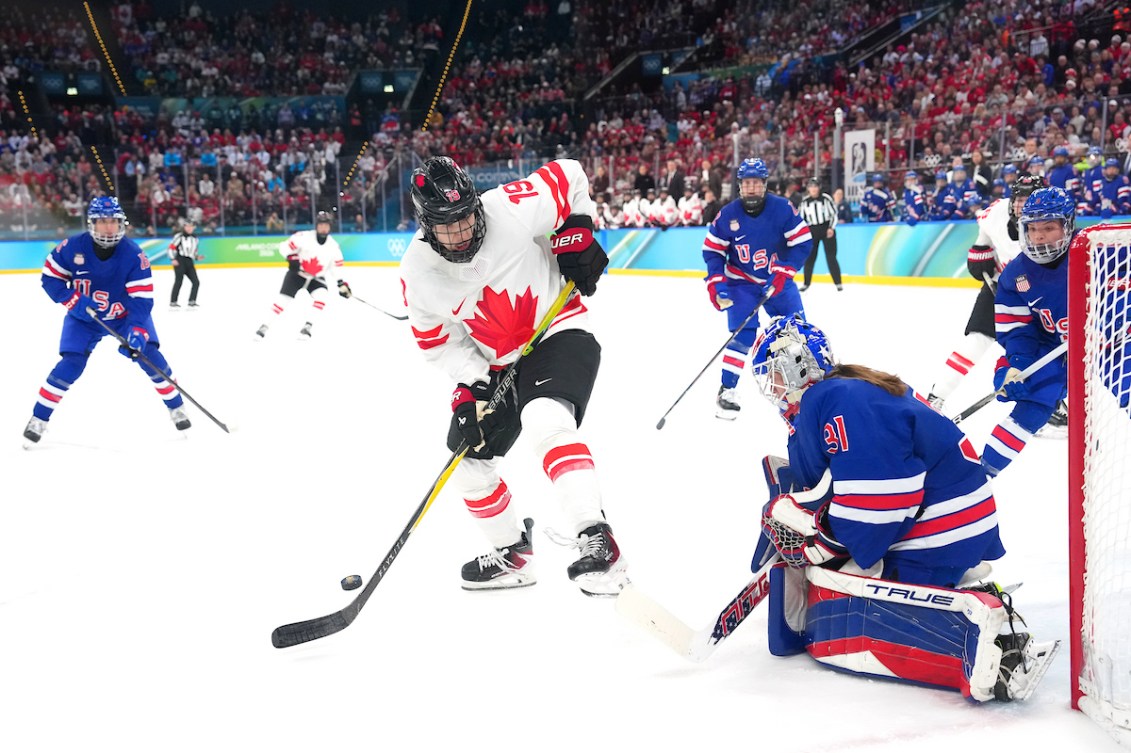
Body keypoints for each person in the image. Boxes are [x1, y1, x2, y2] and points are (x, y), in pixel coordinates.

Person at [749, 315, 1056, 702]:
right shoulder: (844, 393)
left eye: (775, 376)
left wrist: (829, 541)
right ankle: (956, 590)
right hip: (949, 518)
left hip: (939, 524)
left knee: (858, 607)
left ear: (798, 366)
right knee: (848, 576)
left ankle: (983, 641)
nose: (774, 390)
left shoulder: (835, 399)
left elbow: (884, 493)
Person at [400, 156, 627, 597]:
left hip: (559, 328)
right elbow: (438, 343)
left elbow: (572, 173)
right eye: (448, 226)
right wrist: (473, 385)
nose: (463, 232)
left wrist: (578, 228)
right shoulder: (418, 272)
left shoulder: (512, 206)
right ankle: (513, 555)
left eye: (467, 218)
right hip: (498, 364)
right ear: (426, 224)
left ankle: (598, 539)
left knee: (544, 417)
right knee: (467, 465)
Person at [22, 197, 191, 445]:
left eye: (113, 221)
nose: (109, 227)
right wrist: (73, 302)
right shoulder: (71, 248)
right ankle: (39, 419)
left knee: (151, 358)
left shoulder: (134, 255)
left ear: (121, 223)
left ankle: (176, 407)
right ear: (92, 224)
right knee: (71, 365)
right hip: (84, 318)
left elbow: (142, 300)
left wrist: (135, 330)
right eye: (103, 222)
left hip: (124, 316)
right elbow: (51, 278)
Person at [926, 176, 1048, 413]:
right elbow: (982, 246)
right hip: (1000, 286)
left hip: (1039, 294)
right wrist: (979, 255)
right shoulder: (996, 214)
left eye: (1028, 200)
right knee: (977, 340)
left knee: (1037, 351)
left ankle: (1048, 403)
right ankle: (936, 395)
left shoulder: (1052, 222)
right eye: (1018, 200)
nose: (1021, 206)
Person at [702, 157, 811, 420]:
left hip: (777, 280)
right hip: (741, 281)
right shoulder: (727, 215)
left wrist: (784, 272)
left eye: (756, 183)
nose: (751, 188)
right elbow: (713, 250)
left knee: (796, 331)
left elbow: (803, 242)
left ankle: (805, 389)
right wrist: (716, 282)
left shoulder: (783, 209)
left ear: (764, 185)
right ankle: (727, 391)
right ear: (740, 186)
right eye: (746, 183)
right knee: (743, 335)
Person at [981, 187, 1072, 477]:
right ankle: (983, 476)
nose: (1039, 236)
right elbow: (1018, 330)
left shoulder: (1095, 253)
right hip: (1053, 345)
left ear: (1067, 226)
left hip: (1111, 343)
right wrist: (1017, 366)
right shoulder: (1015, 274)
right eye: (1032, 228)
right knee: (1034, 399)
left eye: (1048, 227)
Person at [254, 210, 351, 340]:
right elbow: (284, 246)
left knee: (322, 297)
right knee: (282, 302)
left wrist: (341, 283)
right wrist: (291, 257)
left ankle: (307, 328)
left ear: (330, 227)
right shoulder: (303, 237)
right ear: (316, 226)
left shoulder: (333, 247)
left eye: (326, 225)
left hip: (316, 278)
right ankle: (264, 327)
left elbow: (336, 267)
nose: (323, 228)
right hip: (297, 275)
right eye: (321, 225)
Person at [797, 178, 841, 291]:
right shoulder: (804, 202)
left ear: (819, 187)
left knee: (831, 257)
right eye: (811, 186)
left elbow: (834, 215)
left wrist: (831, 228)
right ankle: (806, 283)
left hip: (827, 229)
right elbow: (801, 219)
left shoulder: (826, 199)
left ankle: (838, 283)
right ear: (808, 189)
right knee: (810, 258)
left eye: (815, 186)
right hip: (812, 230)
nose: (813, 189)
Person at [167, 218, 202, 308]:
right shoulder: (179, 236)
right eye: (187, 226)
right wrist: (172, 259)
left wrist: (197, 257)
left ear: (194, 227)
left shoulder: (195, 239)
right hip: (180, 260)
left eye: (191, 226)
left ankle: (192, 301)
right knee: (179, 281)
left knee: (196, 282)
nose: (189, 228)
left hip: (189, 261)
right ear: (184, 227)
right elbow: (171, 247)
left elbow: (193, 252)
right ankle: (173, 301)